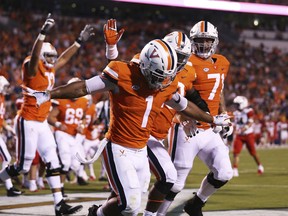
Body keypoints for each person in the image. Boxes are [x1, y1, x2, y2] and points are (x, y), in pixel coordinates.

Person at [23, 38, 231, 216]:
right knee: (130, 205)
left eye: (164, 77)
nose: (160, 82)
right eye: (158, 76)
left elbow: (185, 106)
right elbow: (84, 87)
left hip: (141, 149)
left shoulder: (167, 82)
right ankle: (97, 213)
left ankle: (99, 213)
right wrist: (50, 94)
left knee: (132, 203)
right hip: (118, 147)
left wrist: (211, 119)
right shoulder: (122, 73)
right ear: (145, 65)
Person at [0, 14, 94, 215]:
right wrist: (42, 33)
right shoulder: (32, 66)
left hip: (41, 122)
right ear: (41, 55)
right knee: (23, 166)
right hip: (28, 120)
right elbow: (34, 57)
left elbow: (65, 58)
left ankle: (59, 204)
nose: (53, 60)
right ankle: (3, 178)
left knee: (53, 160)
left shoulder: (49, 67)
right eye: (49, 57)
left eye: (53, 56)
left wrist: (78, 42)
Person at [157, 21, 234, 216]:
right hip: (186, 128)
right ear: (193, 41)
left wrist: (222, 113)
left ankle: (196, 203)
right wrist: (183, 117)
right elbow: (175, 93)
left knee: (224, 172)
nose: (204, 45)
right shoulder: (185, 62)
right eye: (200, 40)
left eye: (208, 41)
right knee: (175, 182)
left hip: (210, 128)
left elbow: (219, 90)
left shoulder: (222, 62)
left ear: (214, 41)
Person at [47, 77, 89, 194]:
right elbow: (50, 117)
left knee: (75, 164)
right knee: (65, 162)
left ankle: (58, 179)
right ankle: (60, 188)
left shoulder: (84, 101)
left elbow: (84, 117)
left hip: (74, 135)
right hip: (62, 133)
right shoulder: (61, 100)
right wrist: (58, 124)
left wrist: (82, 125)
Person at [0, 76, 23, 197]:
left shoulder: (2, 97)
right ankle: (9, 187)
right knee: (7, 158)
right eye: (4, 86)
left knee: (7, 158)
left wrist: (8, 128)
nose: (6, 89)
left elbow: (1, 118)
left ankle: (9, 188)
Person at [232, 95, 264, 177]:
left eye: (237, 104)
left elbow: (250, 122)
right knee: (236, 152)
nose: (236, 106)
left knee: (253, 153)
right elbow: (235, 124)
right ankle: (235, 169)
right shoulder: (236, 113)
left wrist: (242, 129)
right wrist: (234, 129)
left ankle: (260, 165)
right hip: (239, 135)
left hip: (248, 134)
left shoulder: (249, 111)